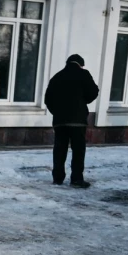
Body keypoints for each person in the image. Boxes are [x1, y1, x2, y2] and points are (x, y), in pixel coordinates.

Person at [44, 54, 99, 188]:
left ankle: (58, 178)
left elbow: (48, 99)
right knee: (78, 150)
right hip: (78, 120)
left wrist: (56, 112)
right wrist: (82, 102)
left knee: (59, 149)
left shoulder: (57, 77)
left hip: (60, 121)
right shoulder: (84, 74)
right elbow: (93, 91)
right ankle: (76, 178)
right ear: (80, 64)